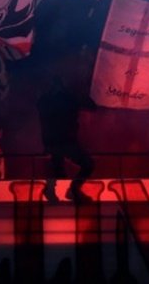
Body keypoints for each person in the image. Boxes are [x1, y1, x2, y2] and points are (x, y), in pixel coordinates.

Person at [37, 75, 94, 203]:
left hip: (53, 142)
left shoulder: (45, 100)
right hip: (65, 141)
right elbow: (90, 105)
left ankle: (58, 191)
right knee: (87, 164)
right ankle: (72, 190)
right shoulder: (68, 99)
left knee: (59, 169)